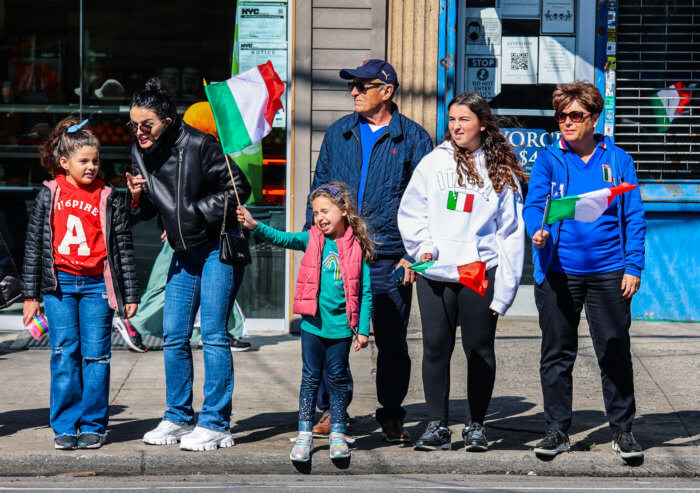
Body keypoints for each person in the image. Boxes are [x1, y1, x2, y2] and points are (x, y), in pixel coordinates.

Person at [307, 59, 433, 442]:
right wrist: (314, 239)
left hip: (390, 255)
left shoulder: (413, 138)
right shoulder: (339, 133)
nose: (355, 92)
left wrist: (415, 254)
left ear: (388, 90)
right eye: (352, 86)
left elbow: (426, 203)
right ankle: (332, 410)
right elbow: (320, 190)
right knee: (334, 336)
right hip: (337, 253)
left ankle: (392, 413)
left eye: (363, 85)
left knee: (392, 340)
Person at [523, 81, 646, 461]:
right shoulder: (549, 159)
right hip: (559, 271)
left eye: (575, 115)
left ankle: (622, 430)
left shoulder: (618, 159)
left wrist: (633, 264)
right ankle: (558, 430)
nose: (567, 122)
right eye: (561, 116)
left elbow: (634, 215)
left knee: (613, 350)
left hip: (609, 271)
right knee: (557, 353)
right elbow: (533, 204)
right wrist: (537, 230)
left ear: (594, 117)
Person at [126, 78, 251, 451]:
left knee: (213, 333)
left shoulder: (201, 145)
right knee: (174, 334)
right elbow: (150, 207)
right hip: (184, 252)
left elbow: (238, 188)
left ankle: (216, 423)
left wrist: (192, 214)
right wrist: (135, 199)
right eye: (132, 125)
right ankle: (178, 417)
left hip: (217, 248)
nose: (138, 131)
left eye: (145, 124)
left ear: (166, 118)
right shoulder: (140, 151)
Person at [398, 91, 526, 451]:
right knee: (435, 348)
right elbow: (412, 211)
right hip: (435, 274)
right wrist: (422, 249)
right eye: (452, 119)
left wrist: (506, 290)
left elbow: (511, 233)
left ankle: (476, 426)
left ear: (482, 124)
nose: (456, 126)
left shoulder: (499, 170)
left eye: (464, 119)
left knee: (479, 349)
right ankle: (436, 425)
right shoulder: (433, 163)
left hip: (478, 272)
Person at [21, 117, 139, 450]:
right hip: (59, 287)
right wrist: (31, 296)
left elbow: (122, 246)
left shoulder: (107, 195)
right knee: (63, 353)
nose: (91, 167)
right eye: (83, 161)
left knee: (96, 356)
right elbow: (33, 247)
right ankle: (65, 426)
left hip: (95, 287)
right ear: (64, 163)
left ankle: (93, 424)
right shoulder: (50, 193)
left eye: (95, 161)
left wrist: (130, 293)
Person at [237, 182, 372, 462]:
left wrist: (362, 330)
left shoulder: (357, 246)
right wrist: (254, 225)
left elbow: (365, 292)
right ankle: (305, 435)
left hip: (341, 328)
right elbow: (282, 238)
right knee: (310, 378)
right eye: (315, 213)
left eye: (325, 211)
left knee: (337, 379)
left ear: (344, 211)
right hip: (312, 325)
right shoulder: (310, 239)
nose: (319, 217)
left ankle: (337, 432)